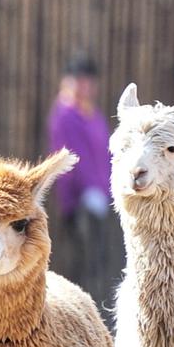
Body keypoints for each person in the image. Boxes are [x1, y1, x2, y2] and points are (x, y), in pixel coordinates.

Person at [45, 51, 117, 306]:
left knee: (100, 262)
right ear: (69, 81)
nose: (86, 86)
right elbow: (70, 159)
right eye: (81, 80)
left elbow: (105, 155)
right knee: (83, 265)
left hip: (102, 198)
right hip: (80, 203)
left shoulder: (93, 114)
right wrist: (75, 200)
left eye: (90, 81)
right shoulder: (64, 115)